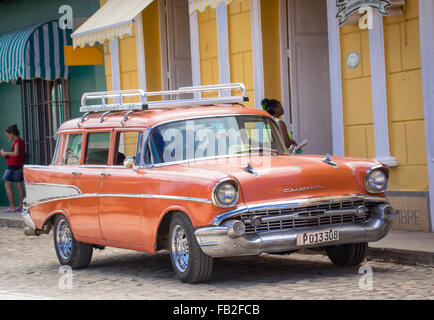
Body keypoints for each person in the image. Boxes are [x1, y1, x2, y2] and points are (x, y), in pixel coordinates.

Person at [1, 125, 25, 212]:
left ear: (12, 133)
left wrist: (5, 153)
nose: (8, 137)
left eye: (8, 135)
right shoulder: (20, 141)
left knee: (7, 185)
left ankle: (12, 206)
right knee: (18, 184)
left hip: (13, 166)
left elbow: (16, 153)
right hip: (18, 165)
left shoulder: (17, 142)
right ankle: (21, 206)